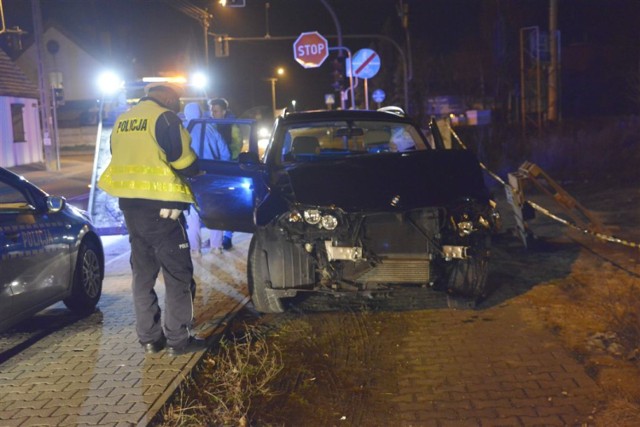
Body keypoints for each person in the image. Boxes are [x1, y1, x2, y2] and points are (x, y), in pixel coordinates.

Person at [98, 82, 208, 357]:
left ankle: (149, 339)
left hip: (131, 210)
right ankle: (178, 340)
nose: (180, 103)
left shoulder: (123, 120)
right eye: (178, 99)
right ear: (168, 97)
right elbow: (183, 161)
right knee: (178, 277)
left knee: (143, 277)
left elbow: (118, 157)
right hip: (164, 209)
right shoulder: (166, 118)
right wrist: (198, 170)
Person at [183, 102, 230, 256]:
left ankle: (195, 249)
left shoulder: (183, 130)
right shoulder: (211, 128)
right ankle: (216, 246)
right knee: (215, 210)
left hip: (191, 177)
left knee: (192, 214)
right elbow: (225, 153)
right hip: (211, 175)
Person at [208, 97, 242, 250]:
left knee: (228, 202)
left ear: (223, 111)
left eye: (215, 111)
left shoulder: (233, 126)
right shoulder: (210, 124)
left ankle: (227, 236)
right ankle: (216, 237)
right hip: (213, 167)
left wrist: (225, 154)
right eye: (211, 110)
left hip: (228, 167)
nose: (212, 113)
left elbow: (236, 146)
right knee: (215, 203)